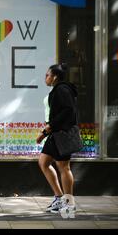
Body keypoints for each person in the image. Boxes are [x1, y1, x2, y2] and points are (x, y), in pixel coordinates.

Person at [36, 63, 78, 219]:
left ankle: (69, 204)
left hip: (61, 133)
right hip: (55, 132)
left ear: (54, 77)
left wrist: (47, 130)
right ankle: (59, 198)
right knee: (44, 162)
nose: (45, 78)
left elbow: (68, 111)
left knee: (63, 166)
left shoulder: (62, 90)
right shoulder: (59, 90)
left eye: (47, 75)